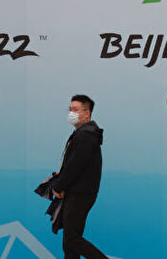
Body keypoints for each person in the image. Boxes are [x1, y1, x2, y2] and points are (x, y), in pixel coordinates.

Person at [52, 94, 108, 259]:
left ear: (87, 113)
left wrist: (59, 186)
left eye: (75, 110)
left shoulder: (85, 136)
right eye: (70, 109)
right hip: (78, 192)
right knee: (69, 242)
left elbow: (75, 166)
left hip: (79, 194)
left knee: (72, 239)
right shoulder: (84, 133)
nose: (71, 113)